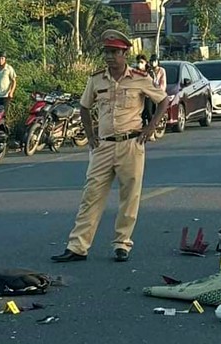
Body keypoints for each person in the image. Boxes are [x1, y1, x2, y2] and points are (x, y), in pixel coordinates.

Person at [50, 29, 168, 263]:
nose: (110, 56)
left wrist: (150, 128)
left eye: (115, 52)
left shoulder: (139, 78)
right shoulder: (96, 79)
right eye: (107, 52)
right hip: (103, 146)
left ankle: (122, 244)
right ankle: (77, 247)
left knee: (129, 196)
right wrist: (90, 136)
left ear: (125, 53)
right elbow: (84, 107)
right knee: (91, 195)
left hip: (131, 143)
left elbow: (163, 100)